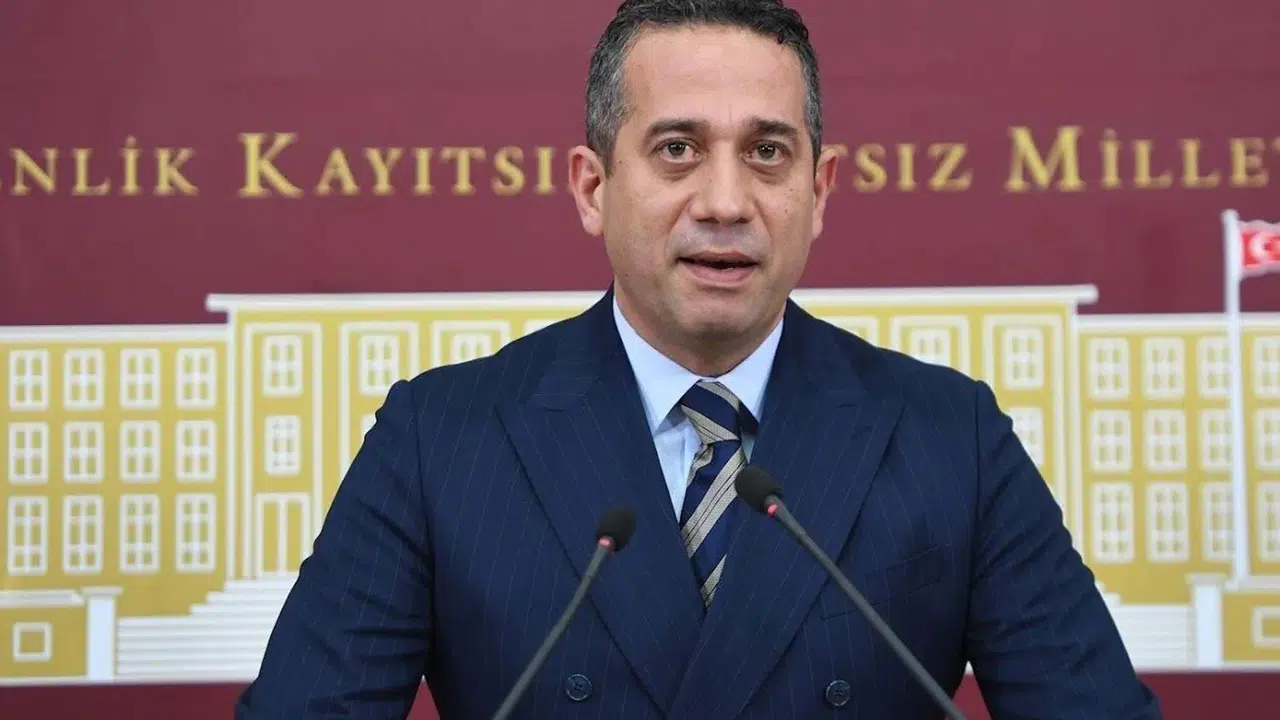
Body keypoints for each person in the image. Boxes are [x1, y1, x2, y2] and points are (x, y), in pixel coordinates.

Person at [235, 1, 1164, 717]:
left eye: (767, 153)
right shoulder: (440, 441)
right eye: (677, 149)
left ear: (819, 192)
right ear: (593, 187)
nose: (725, 201)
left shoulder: (950, 438)